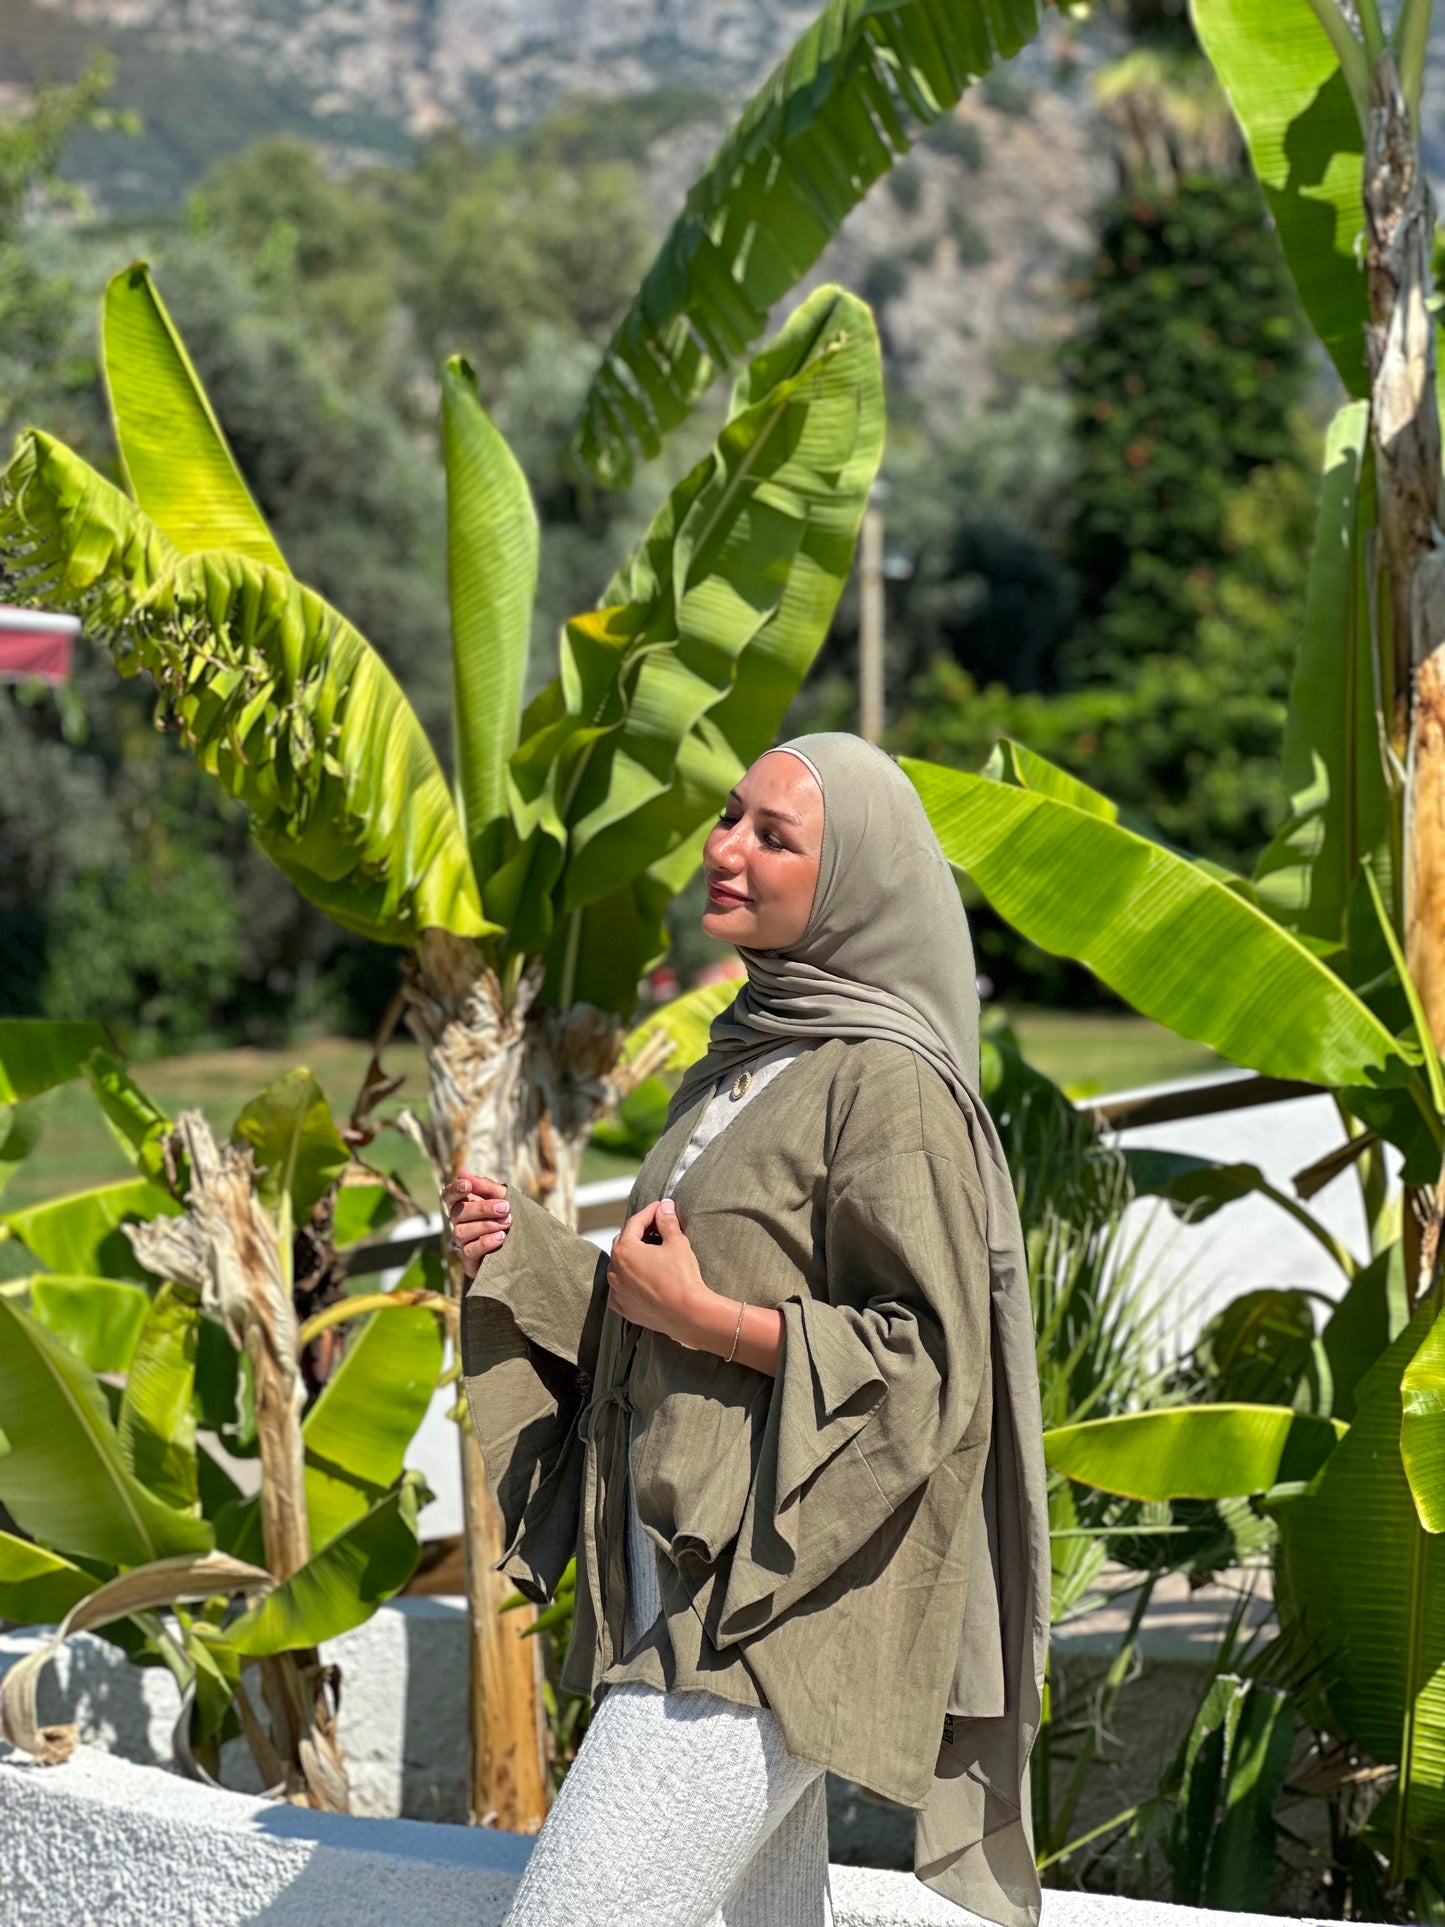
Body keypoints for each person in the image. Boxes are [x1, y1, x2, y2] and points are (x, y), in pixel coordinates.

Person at [444, 733, 1049, 1927]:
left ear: (850, 884)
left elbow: (928, 1364)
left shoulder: (888, 1084)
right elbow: (669, 1301)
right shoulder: (748, 1058)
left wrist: (708, 1318)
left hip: (759, 1596)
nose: (726, 848)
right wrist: (534, 1253)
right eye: (730, 816)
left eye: (775, 837)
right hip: (667, 1569)